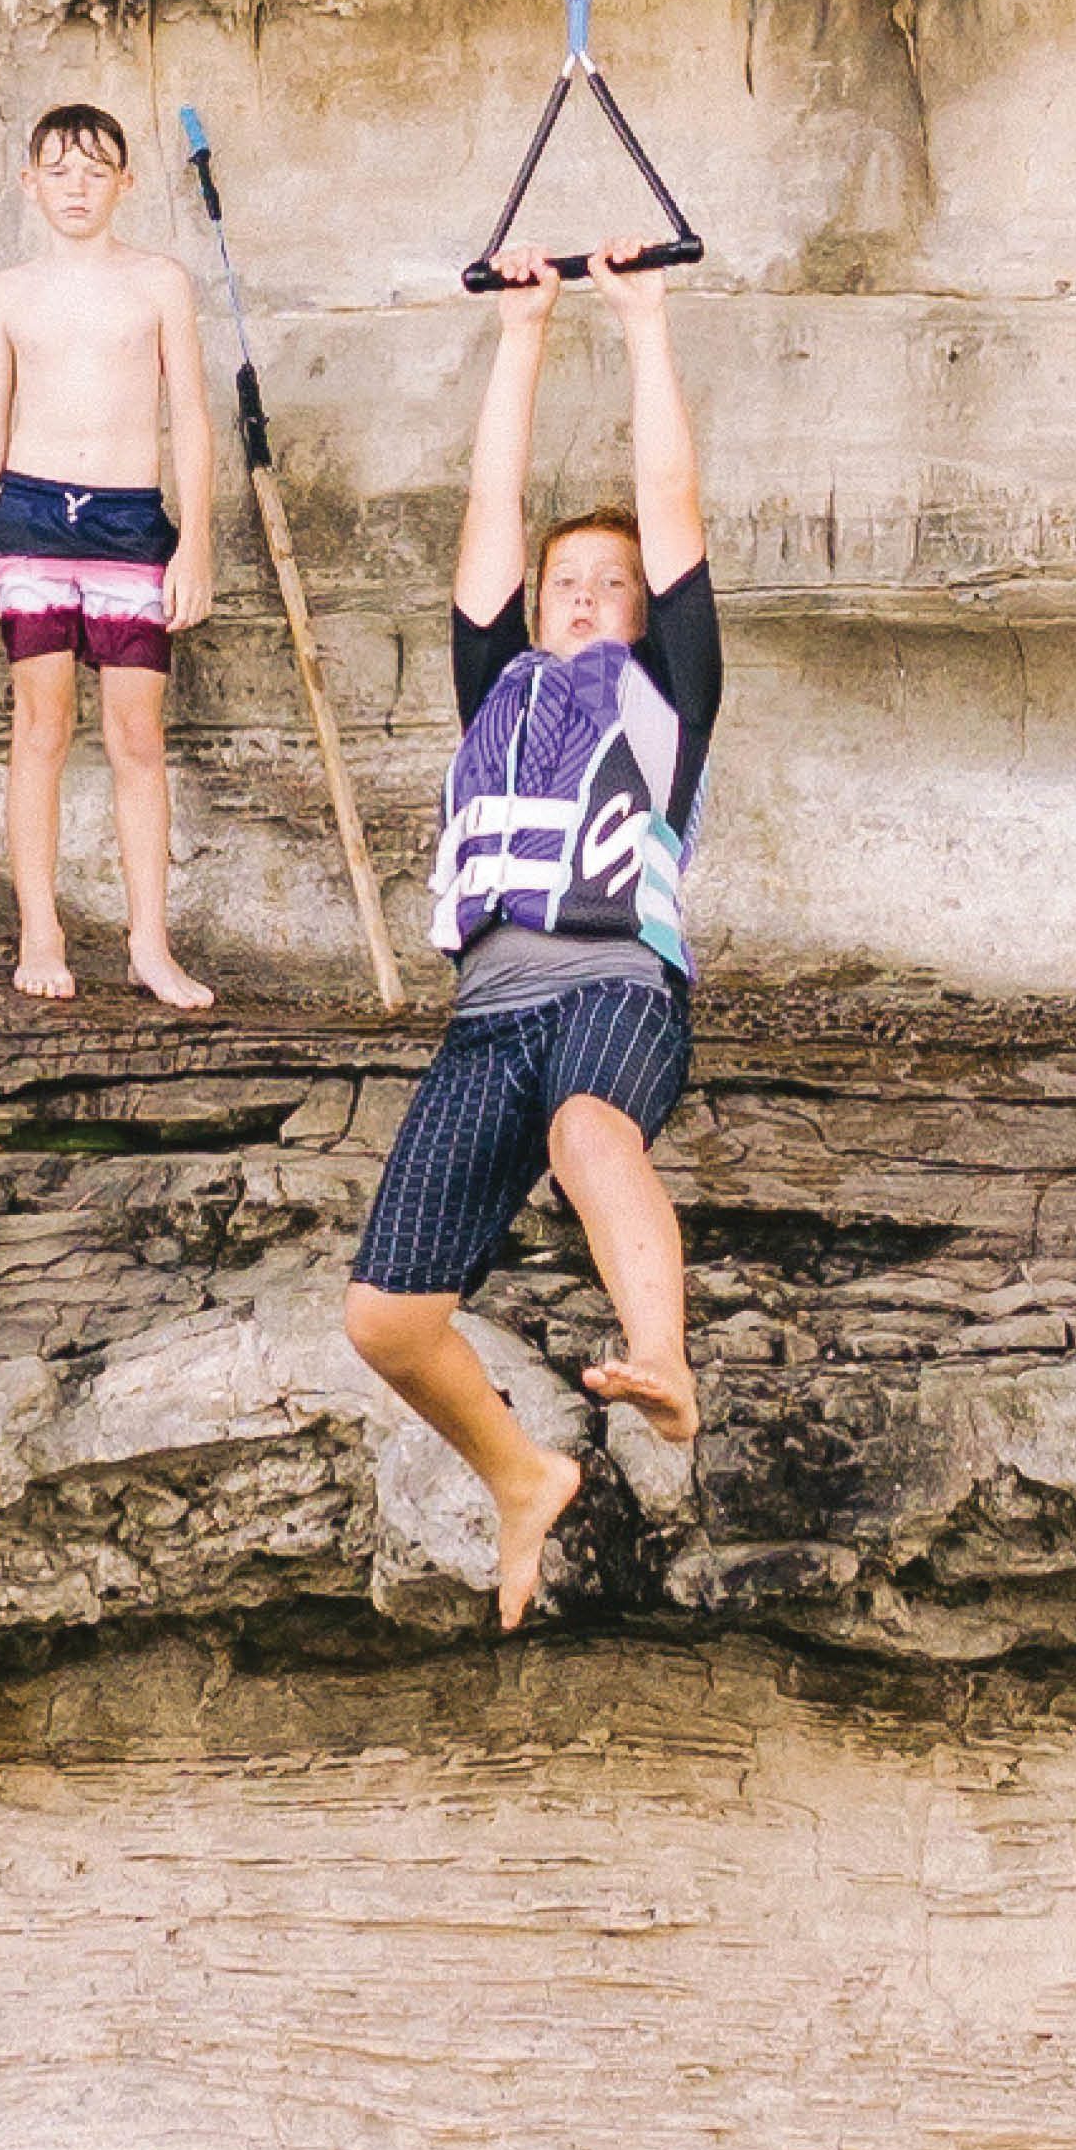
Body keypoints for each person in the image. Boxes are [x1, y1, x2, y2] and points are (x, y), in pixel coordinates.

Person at [345, 240, 718, 1631]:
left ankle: (659, 1359)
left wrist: (639, 319)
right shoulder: (492, 681)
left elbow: (669, 501)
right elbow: (489, 506)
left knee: (583, 1138)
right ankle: (519, 1474)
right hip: (484, 1014)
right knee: (383, 1319)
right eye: (564, 580)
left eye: (608, 583)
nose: (579, 595)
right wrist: (520, 334)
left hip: (615, 987)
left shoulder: (667, 691)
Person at [0, 102, 221, 1010]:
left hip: (130, 523)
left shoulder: (158, 283)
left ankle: (149, 942)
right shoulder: (8, 293)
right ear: (28, 183)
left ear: (124, 184)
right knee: (40, 727)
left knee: (138, 737)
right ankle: (41, 930)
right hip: (28, 517)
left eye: (94, 171)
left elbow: (193, 423)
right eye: (57, 171)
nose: (75, 187)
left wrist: (196, 545)